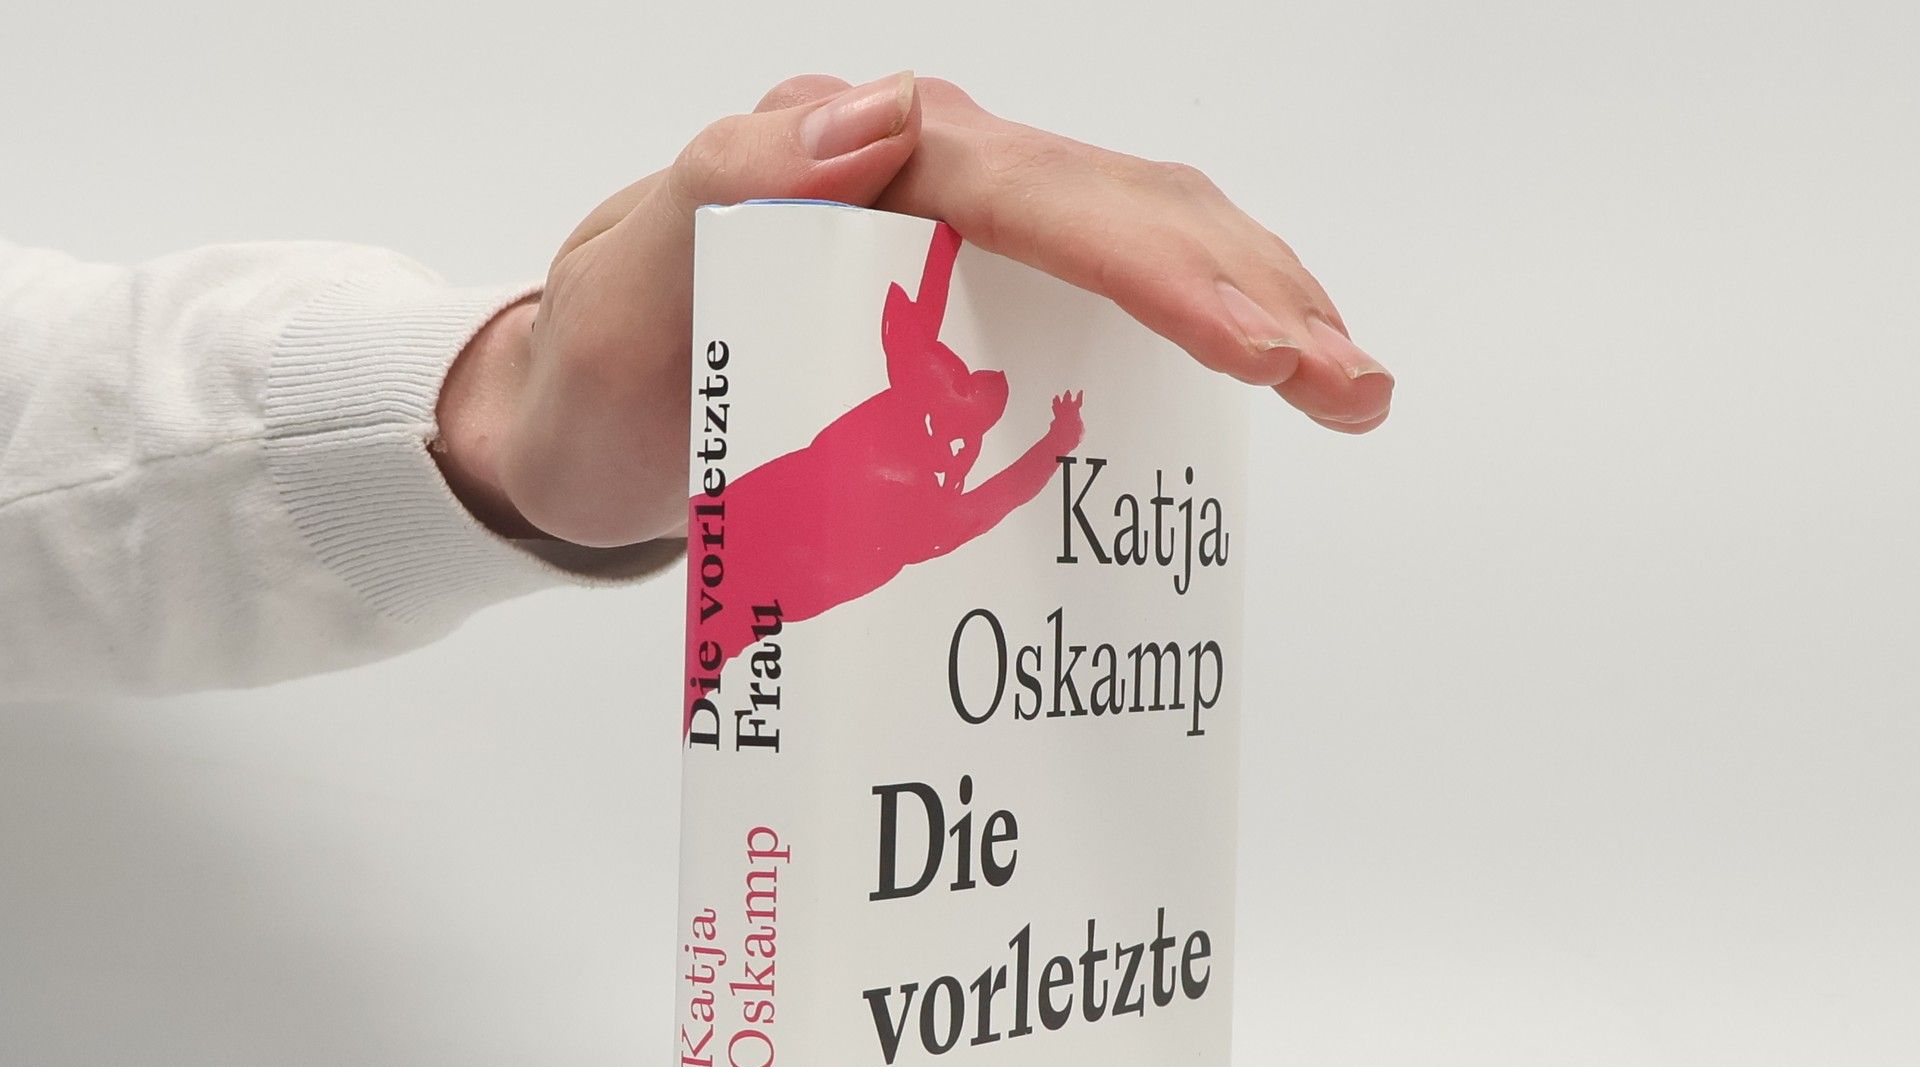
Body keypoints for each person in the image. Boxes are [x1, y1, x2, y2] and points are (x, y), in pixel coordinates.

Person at [0, 73, 1392, 702]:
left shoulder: (900, 460)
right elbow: (939, 432)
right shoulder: (913, 482)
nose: (966, 401)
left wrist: (508, 411)